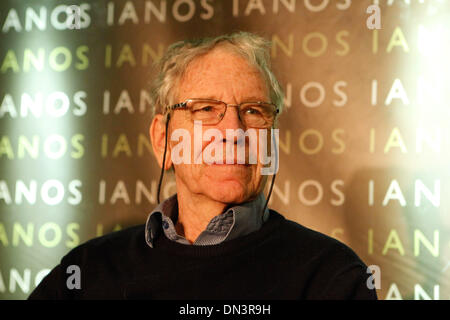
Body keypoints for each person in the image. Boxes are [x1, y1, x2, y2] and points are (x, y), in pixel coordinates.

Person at [29, 32, 377, 300]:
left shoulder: (330, 277)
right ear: (162, 138)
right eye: (206, 109)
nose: (234, 132)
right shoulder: (87, 273)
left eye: (254, 111)